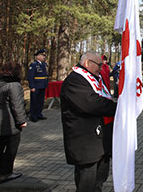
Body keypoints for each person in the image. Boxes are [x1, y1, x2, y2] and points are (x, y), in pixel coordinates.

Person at [60, 51, 117, 192]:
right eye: (99, 64)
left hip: (101, 142)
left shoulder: (93, 78)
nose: (101, 67)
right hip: (86, 144)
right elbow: (92, 103)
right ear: (87, 63)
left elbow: (104, 99)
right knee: (87, 184)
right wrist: (120, 108)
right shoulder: (75, 80)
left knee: (99, 179)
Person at [27, 49, 48, 122]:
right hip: (36, 86)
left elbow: (45, 76)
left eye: (44, 56)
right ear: (37, 56)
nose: (44, 57)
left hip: (42, 85)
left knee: (40, 101)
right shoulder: (33, 65)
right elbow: (30, 76)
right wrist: (32, 86)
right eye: (42, 56)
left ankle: (39, 114)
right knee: (34, 101)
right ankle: (33, 116)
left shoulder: (44, 64)